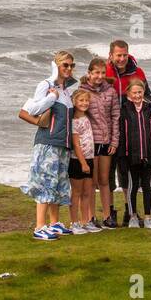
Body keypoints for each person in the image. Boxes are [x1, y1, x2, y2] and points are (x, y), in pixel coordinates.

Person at [20, 51, 79, 240]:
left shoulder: (67, 90)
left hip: (63, 145)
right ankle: (39, 227)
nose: (69, 69)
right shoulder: (46, 85)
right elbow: (31, 110)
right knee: (45, 182)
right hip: (48, 143)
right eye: (65, 65)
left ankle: (54, 223)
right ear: (56, 66)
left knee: (59, 184)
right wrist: (51, 98)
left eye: (71, 65)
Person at [105, 40, 151, 226]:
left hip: (132, 132)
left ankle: (130, 212)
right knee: (109, 172)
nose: (121, 58)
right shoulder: (105, 73)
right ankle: (110, 211)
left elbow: (148, 96)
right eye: (118, 55)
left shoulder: (138, 72)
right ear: (110, 55)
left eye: (124, 55)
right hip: (109, 129)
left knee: (126, 173)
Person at [81, 57, 121, 228]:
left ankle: (107, 216)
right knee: (91, 181)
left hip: (106, 142)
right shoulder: (82, 92)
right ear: (89, 73)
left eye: (102, 73)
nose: (100, 76)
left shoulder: (110, 91)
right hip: (90, 143)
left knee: (104, 180)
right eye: (96, 72)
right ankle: (90, 217)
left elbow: (115, 117)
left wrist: (114, 141)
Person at [119, 77, 151, 229]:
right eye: (134, 92)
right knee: (132, 187)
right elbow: (122, 136)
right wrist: (122, 158)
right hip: (131, 157)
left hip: (147, 157)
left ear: (144, 92)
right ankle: (132, 217)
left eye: (140, 92)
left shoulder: (150, 109)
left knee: (147, 187)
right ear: (128, 93)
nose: (137, 95)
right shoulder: (124, 110)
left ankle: (148, 217)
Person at [68, 88, 98, 233]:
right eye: (81, 100)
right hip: (77, 161)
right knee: (76, 193)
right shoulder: (74, 121)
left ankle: (85, 221)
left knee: (87, 193)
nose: (84, 103)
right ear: (74, 102)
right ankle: (74, 223)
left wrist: (88, 161)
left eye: (87, 100)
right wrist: (83, 163)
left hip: (89, 159)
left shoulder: (87, 118)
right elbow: (76, 144)